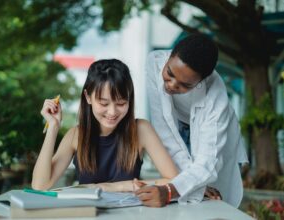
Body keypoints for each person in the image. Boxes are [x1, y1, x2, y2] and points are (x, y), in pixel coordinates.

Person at [135, 34, 248, 207]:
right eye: (169, 73)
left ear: (201, 81)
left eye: (185, 85)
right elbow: (163, 128)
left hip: (209, 132)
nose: (171, 85)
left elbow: (208, 163)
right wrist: (187, 187)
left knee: (213, 197)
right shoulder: (155, 62)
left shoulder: (215, 99)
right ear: (170, 56)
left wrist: (170, 191)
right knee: (189, 187)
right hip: (178, 125)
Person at [31, 59, 178, 192]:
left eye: (121, 103)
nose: (112, 112)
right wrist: (53, 126)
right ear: (88, 97)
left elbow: (175, 181)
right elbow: (40, 185)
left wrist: (115, 186)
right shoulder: (76, 135)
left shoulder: (141, 129)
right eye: (104, 103)